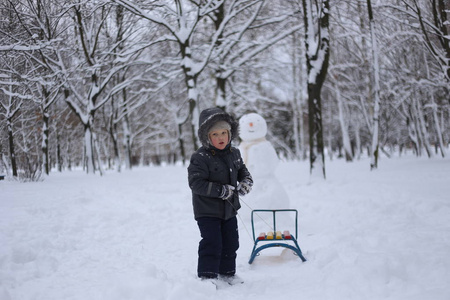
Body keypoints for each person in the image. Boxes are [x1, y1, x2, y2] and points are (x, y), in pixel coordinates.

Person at [188, 107, 253, 285]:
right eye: (215, 134)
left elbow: (243, 172)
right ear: (207, 137)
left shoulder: (235, 153)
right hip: (207, 211)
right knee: (212, 242)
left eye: (224, 133)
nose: (221, 138)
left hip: (229, 210)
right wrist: (220, 190)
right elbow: (196, 183)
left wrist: (246, 182)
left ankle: (227, 273)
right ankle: (207, 276)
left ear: (229, 132)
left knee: (231, 242)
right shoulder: (200, 157)